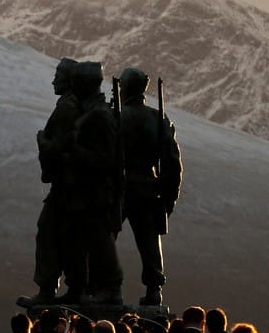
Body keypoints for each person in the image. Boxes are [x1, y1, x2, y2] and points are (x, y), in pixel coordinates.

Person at [118, 67, 182, 305]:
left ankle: (102, 285)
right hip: (148, 187)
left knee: (103, 237)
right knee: (149, 242)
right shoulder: (157, 118)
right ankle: (154, 290)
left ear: (126, 88)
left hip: (120, 187)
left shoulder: (117, 116)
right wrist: (169, 197)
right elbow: (172, 162)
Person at [65, 61, 123, 304]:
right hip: (85, 190)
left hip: (96, 192)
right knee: (83, 240)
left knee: (100, 239)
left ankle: (111, 287)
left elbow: (107, 159)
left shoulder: (99, 115)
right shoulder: (90, 112)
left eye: (76, 82)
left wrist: (74, 150)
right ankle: (82, 288)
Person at [27, 57, 81, 304]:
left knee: (49, 232)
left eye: (58, 75)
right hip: (71, 185)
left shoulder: (67, 109)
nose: (53, 80)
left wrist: (42, 141)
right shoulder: (74, 105)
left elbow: (59, 147)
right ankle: (72, 287)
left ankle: (47, 288)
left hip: (66, 185)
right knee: (67, 235)